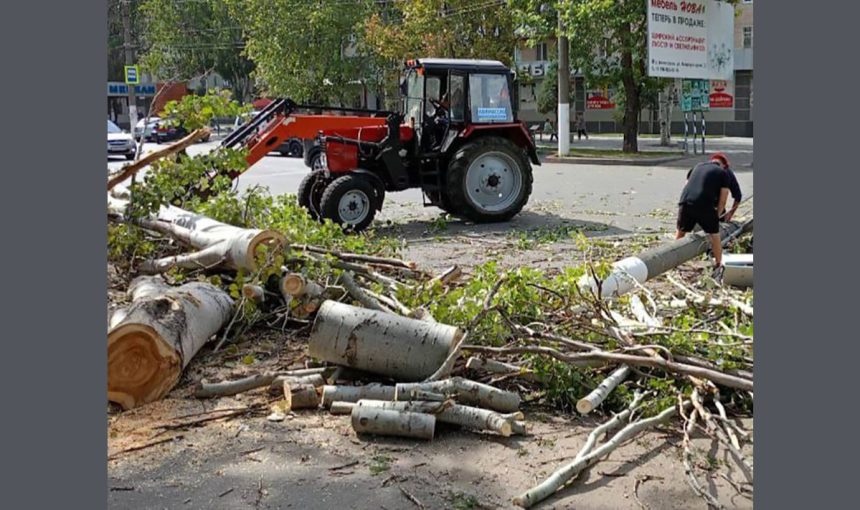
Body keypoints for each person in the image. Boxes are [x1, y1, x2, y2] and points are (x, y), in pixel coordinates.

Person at [676, 152, 734, 270]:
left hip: (685, 201)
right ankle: (718, 264)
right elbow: (723, 198)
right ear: (723, 165)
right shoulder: (723, 173)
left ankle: (674, 261)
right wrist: (717, 216)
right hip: (704, 204)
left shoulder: (697, 166)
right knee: (714, 235)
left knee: (681, 232)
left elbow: (687, 185)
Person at [711, 152, 742, 222]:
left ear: (724, 166)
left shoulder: (728, 173)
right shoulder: (706, 171)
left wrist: (730, 213)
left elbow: (738, 195)